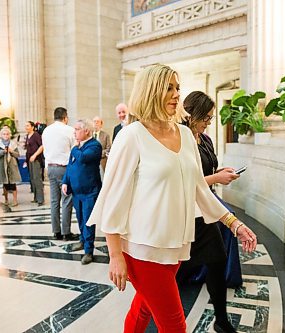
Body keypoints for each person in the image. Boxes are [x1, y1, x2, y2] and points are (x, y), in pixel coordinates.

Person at [87, 64, 257, 333]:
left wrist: (234, 223)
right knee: (175, 325)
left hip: (177, 244)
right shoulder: (132, 136)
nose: (176, 94)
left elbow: (199, 188)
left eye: (177, 87)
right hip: (143, 248)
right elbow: (113, 198)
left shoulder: (186, 135)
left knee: (144, 306)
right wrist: (115, 255)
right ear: (151, 90)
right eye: (168, 87)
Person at [176, 91, 243, 333]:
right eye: (205, 117)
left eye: (210, 119)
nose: (208, 123)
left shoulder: (204, 140)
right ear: (191, 114)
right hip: (184, 213)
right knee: (177, 270)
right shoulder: (179, 139)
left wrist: (221, 171)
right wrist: (216, 177)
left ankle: (221, 320)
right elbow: (183, 182)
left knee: (217, 260)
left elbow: (207, 170)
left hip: (205, 210)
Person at [62, 119, 102, 265]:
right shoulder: (77, 147)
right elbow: (70, 166)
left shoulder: (94, 146)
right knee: (79, 218)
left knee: (88, 221)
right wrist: (65, 181)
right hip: (77, 191)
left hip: (90, 191)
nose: (74, 132)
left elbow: (83, 158)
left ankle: (88, 251)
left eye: (77, 129)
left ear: (87, 131)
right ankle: (82, 240)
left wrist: (75, 149)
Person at [42, 107, 79, 241]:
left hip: (51, 167)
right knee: (67, 200)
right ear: (65, 117)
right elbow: (74, 150)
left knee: (54, 201)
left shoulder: (46, 130)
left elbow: (45, 150)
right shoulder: (69, 130)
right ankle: (66, 232)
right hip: (64, 168)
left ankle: (56, 231)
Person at [0, 127, 21, 207]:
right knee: (5, 183)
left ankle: (15, 200)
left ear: (10, 135)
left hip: (12, 165)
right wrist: (3, 152)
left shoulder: (13, 144)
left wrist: (11, 151)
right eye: (4, 134)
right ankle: (6, 200)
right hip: (2, 165)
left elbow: (17, 154)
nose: (6, 135)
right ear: (1, 135)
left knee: (13, 183)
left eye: (7, 134)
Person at [25, 121, 44, 206]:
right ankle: (36, 197)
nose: (26, 127)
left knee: (37, 179)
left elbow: (41, 146)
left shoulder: (36, 135)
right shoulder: (27, 136)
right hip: (30, 160)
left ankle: (40, 199)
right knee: (32, 179)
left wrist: (35, 155)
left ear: (32, 127)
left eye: (28, 126)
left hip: (36, 159)